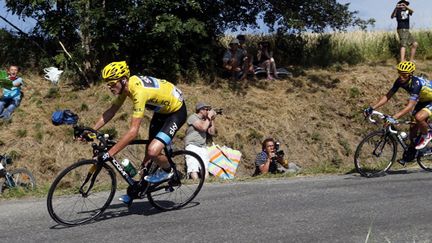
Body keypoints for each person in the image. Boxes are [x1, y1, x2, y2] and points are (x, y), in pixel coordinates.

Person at [90, 61, 187, 205]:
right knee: (146, 160)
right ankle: (139, 189)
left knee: (153, 151)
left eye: (111, 83)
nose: (109, 87)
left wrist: (109, 153)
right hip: (161, 112)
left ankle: (169, 172)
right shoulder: (125, 88)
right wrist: (92, 130)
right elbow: (111, 111)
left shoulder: (138, 92)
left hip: (176, 112)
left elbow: (133, 132)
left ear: (123, 80)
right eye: (108, 84)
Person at [364, 61, 432, 164]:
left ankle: (427, 134)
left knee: (419, 118)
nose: (401, 76)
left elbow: (409, 106)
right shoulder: (399, 81)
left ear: (410, 74)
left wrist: (394, 117)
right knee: (412, 130)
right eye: (399, 73)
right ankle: (411, 155)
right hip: (423, 101)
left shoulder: (416, 84)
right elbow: (387, 96)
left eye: (404, 74)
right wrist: (372, 108)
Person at [184, 102, 217, 179]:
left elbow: (211, 132)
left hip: (202, 146)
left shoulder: (206, 120)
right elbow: (203, 128)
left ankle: (206, 184)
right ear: (201, 110)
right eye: (207, 109)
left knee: (205, 167)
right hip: (192, 145)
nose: (208, 111)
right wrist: (209, 117)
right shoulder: (192, 117)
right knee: (193, 166)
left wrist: (211, 119)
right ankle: (195, 183)